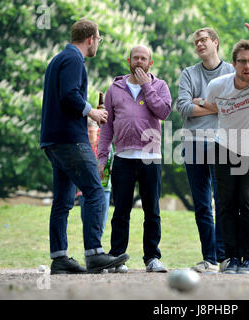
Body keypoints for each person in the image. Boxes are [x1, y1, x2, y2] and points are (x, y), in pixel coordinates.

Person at [40, 18, 129, 274]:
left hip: (53, 140)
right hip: (70, 139)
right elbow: (69, 95)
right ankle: (95, 254)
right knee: (95, 191)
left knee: (63, 200)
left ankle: (59, 258)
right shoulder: (74, 60)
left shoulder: (58, 59)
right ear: (90, 38)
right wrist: (92, 112)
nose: (98, 44)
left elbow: (64, 96)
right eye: (99, 39)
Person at [203, 10, 249, 274]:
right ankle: (231, 258)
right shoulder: (218, 86)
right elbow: (210, 106)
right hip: (225, 150)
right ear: (234, 63)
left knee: (248, 200)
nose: (248, 66)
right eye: (243, 61)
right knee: (225, 203)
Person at [98, 45, 172, 273]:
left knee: (152, 210)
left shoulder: (159, 86)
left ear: (150, 63)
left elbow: (164, 112)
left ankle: (152, 258)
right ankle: (117, 257)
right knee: (121, 211)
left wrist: (146, 86)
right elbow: (107, 127)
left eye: (144, 59)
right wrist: (102, 158)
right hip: (122, 157)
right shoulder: (114, 89)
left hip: (151, 156)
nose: (139, 61)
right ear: (128, 60)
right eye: (135, 58)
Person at [176, 28, 234, 273]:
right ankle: (209, 259)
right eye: (196, 41)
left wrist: (201, 101)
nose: (199, 44)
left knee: (223, 201)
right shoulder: (189, 73)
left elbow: (232, 105)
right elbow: (183, 108)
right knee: (201, 204)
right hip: (193, 142)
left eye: (204, 40)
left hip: (223, 141)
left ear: (215, 43)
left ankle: (224, 257)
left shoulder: (231, 71)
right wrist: (214, 106)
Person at [77, 118, 113, 235]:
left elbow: (111, 166)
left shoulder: (106, 146)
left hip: (103, 188)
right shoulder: (80, 147)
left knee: (101, 223)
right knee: (87, 223)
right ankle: (90, 250)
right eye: (86, 132)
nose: (88, 135)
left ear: (97, 131)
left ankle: (97, 249)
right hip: (84, 190)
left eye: (91, 132)